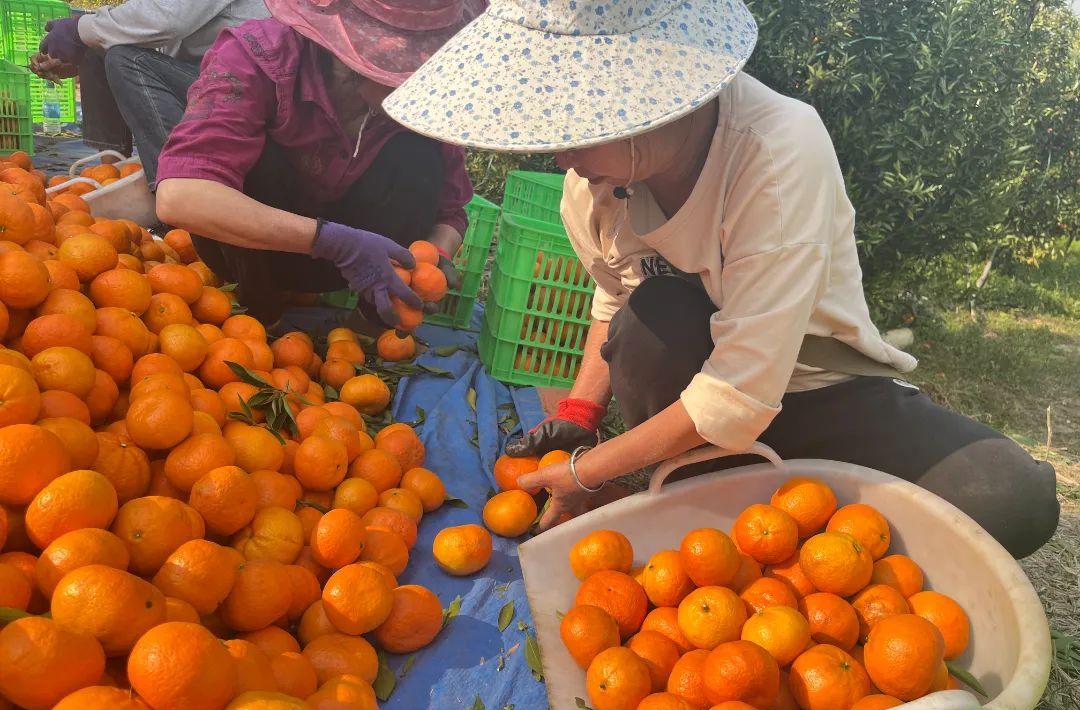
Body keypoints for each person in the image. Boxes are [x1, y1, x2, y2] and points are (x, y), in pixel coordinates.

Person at [382, 0, 1060, 557]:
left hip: (821, 390)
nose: (559, 153)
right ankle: (720, 495)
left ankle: (763, 503)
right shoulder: (589, 185)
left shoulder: (775, 150)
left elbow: (740, 395)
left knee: (1011, 501)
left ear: (635, 102)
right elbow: (613, 299)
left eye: (573, 130)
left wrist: (592, 469)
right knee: (647, 324)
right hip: (696, 406)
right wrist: (581, 415)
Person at [153, 0, 482, 326]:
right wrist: (334, 242)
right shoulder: (259, 58)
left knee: (420, 157)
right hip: (253, 254)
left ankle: (373, 317)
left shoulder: (428, 107)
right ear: (357, 58)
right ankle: (258, 311)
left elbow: (449, 213)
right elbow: (180, 195)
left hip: (356, 266)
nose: (426, 87)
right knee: (254, 160)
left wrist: (433, 256)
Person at [31, 0, 269, 183]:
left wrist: (79, 30)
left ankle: (182, 182)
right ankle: (111, 174)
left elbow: (167, 20)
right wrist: (80, 51)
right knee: (102, 44)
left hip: (247, 83)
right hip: (211, 71)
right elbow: (155, 32)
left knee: (122, 57)